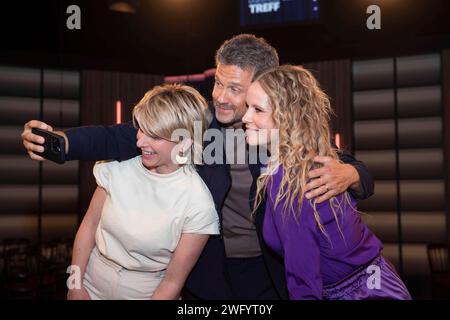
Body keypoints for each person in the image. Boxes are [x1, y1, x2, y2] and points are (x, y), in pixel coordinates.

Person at [22, 34, 374, 299]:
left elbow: (353, 169)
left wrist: (353, 174)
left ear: (262, 89)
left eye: (235, 88)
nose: (220, 95)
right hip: (208, 271)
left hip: (267, 272)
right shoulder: (199, 122)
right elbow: (123, 137)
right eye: (219, 82)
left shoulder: (281, 133)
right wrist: (62, 144)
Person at [243, 64, 411, 300]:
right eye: (248, 107)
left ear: (287, 118)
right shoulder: (305, 161)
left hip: (363, 293)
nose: (245, 117)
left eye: (257, 110)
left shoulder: (292, 180)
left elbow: (304, 281)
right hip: (374, 281)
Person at [67, 84, 219, 299]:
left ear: (184, 143)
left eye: (154, 136)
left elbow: (172, 282)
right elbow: (88, 227)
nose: (140, 141)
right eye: (141, 128)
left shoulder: (198, 202)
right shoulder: (116, 167)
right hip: (90, 280)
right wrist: (74, 284)